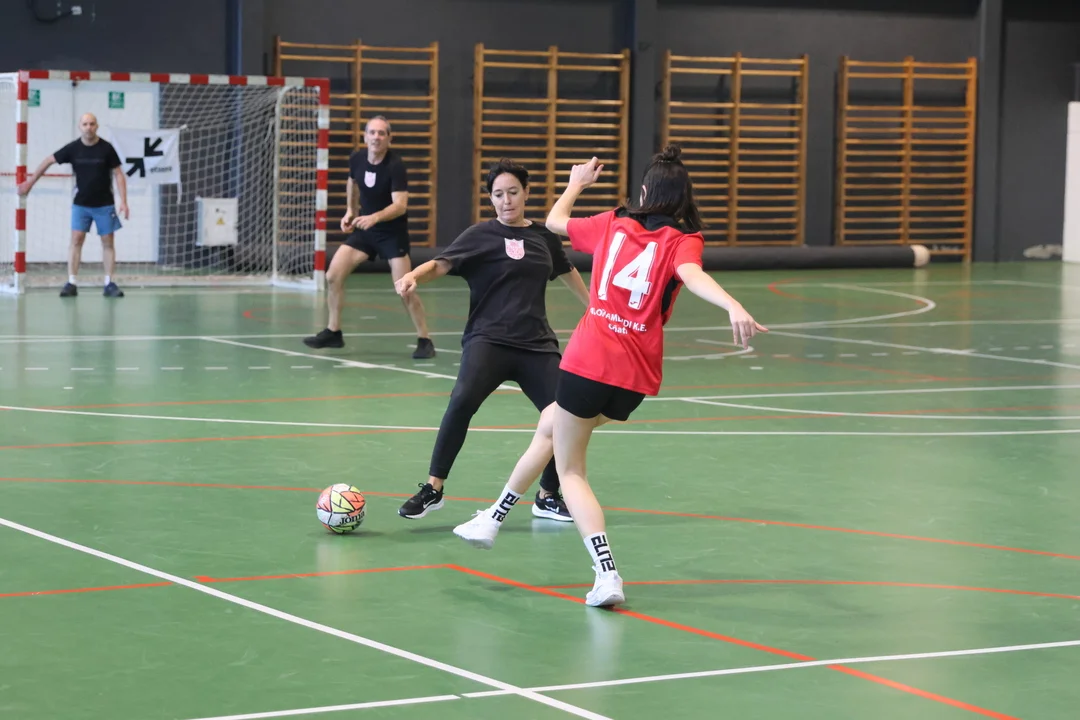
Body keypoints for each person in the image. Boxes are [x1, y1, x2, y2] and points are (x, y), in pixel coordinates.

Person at [451, 146, 768, 607]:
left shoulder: (614, 222)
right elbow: (691, 274)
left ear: (645, 191)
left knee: (570, 470)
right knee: (550, 424)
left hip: (589, 363)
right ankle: (492, 519)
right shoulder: (685, 238)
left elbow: (555, 222)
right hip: (635, 377)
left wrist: (576, 184)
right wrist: (731, 304)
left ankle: (607, 574)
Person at [394, 158, 590, 521]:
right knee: (461, 400)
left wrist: (594, 306)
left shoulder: (544, 237)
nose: (506, 200)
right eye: (498, 194)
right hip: (488, 340)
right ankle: (433, 488)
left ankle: (547, 495)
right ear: (490, 199)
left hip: (536, 345)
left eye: (513, 192)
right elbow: (441, 264)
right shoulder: (479, 236)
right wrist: (413, 276)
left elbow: (567, 270)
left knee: (564, 414)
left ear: (527, 193)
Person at [304, 115, 434, 359]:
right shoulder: (357, 159)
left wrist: (374, 217)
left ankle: (424, 339)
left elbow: (400, 205)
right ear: (365, 137)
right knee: (333, 276)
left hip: (392, 234)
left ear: (389, 138)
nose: (376, 137)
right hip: (366, 231)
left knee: (404, 288)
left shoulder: (395, 166)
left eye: (382, 133)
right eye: (372, 132)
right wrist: (351, 211)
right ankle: (334, 332)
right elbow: (352, 183)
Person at [17, 112, 129, 297]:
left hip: (104, 205)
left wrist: (123, 201)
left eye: (92, 124)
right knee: (76, 240)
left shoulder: (106, 148)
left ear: (97, 126)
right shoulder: (73, 148)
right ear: (80, 127)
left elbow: (118, 174)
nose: (88, 127)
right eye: (85, 124)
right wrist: (30, 183)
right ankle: (71, 283)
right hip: (81, 205)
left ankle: (109, 283)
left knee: (108, 242)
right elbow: (48, 161)